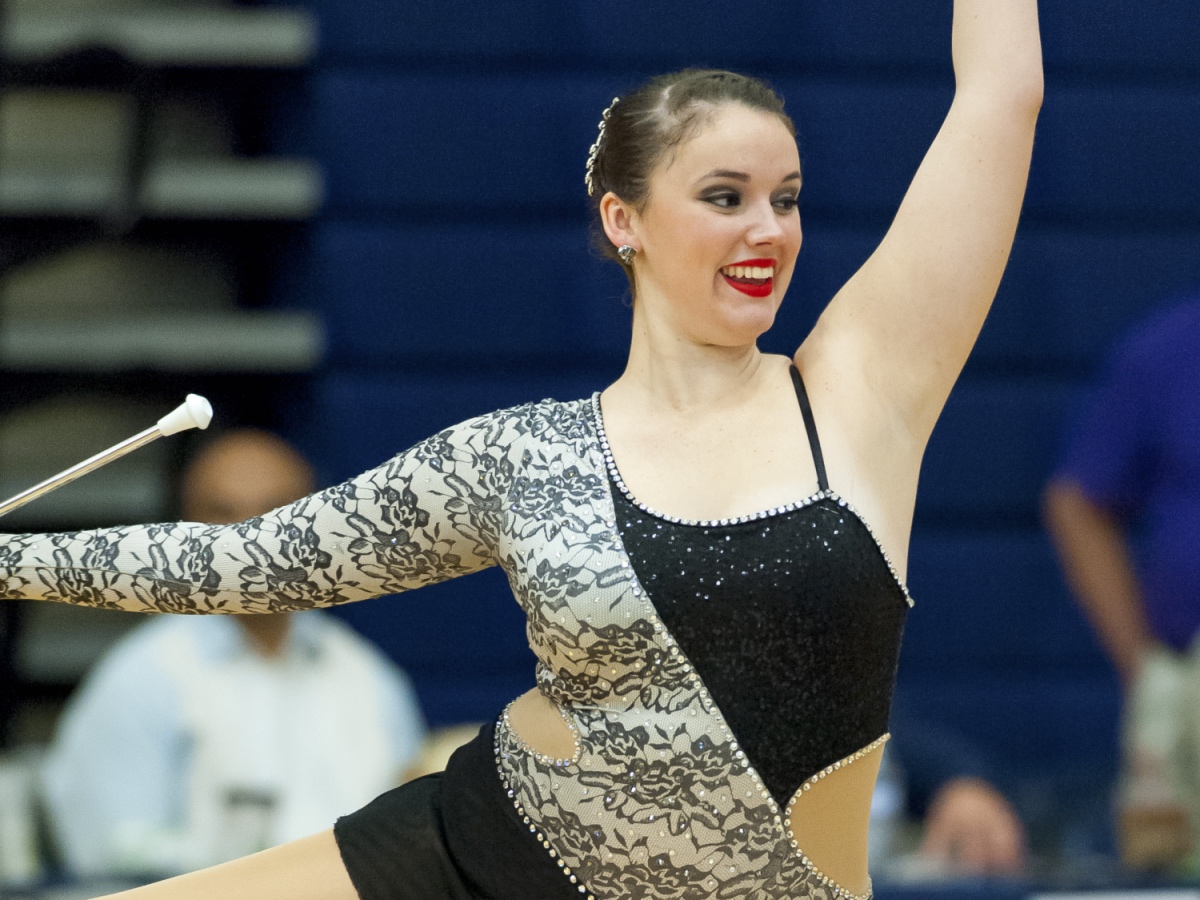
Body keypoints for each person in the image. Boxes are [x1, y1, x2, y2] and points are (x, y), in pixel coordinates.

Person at [0, 3, 1042, 897]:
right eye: (724, 197)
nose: (767, 227)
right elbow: (251, 561)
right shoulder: (518, 458)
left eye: (788, 197)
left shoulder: (863, 392)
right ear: (623, 218)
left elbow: (1002, 93)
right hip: (478, 860)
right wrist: (11, 562)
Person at [39, 431, 426, 879]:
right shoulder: (143, 678)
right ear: (181, 530)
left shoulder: (370, 679)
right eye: (223, 514)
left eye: (277, 512)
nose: (250, 539)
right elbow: (107, 852)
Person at [1043, 296, 1200, 868]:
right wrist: (1149, 673)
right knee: (1170, 862)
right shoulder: (1170, 348)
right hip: (1189, 702)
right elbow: (1078, 502)